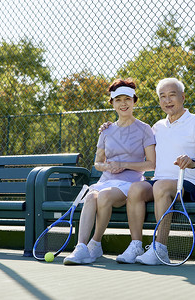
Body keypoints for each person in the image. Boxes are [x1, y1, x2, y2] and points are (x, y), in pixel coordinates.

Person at [110, 78, 195, 265]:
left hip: (189, 184)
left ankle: (160, 249)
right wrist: (109, 129)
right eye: (162, 97)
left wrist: (193, 161)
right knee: (135, 189)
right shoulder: (157, 127)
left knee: (161, 187)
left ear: (183, 97)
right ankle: (136, 245)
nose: (167, 100)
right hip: (160, 183)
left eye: (172, 95)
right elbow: (133, 144)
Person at [63, 78, 156, 265]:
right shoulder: (106, 130)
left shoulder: (145, 129)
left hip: (130, 184)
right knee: (91, 197)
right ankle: (81, 247)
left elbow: (151, 164)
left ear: (134, 101)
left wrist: (126, 164)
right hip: (106, 180)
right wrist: (108, 166)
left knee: (103, 196)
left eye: (127, 99)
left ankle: (95, 243)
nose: (123, 104)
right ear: (112, 103)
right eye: (118, 99)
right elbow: (98, 163)